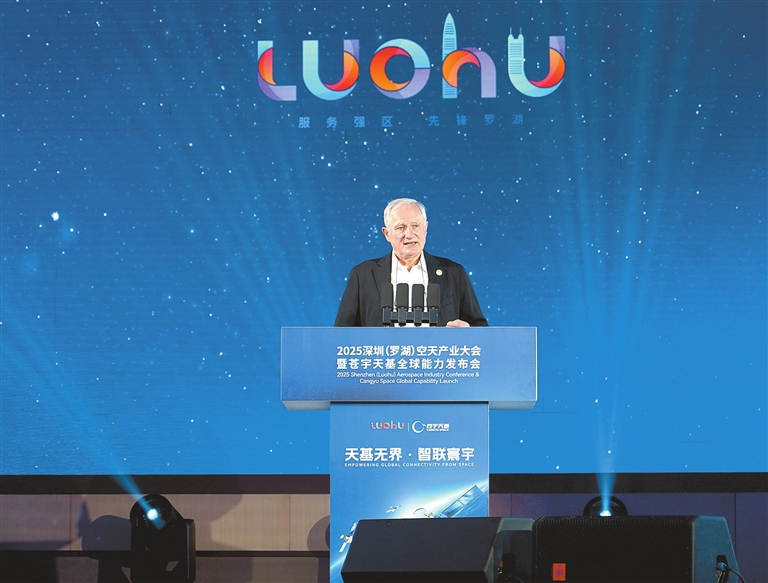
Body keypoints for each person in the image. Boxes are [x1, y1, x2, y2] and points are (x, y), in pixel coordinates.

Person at [334, 198, 488, 327]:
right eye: (400, 227)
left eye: (415, 226)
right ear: (387, 234)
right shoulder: (363, 275)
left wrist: (467, 331)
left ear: (425, 228)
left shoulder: (453, 272)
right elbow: (341, 332)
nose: (409, 234)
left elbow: (479, 326)